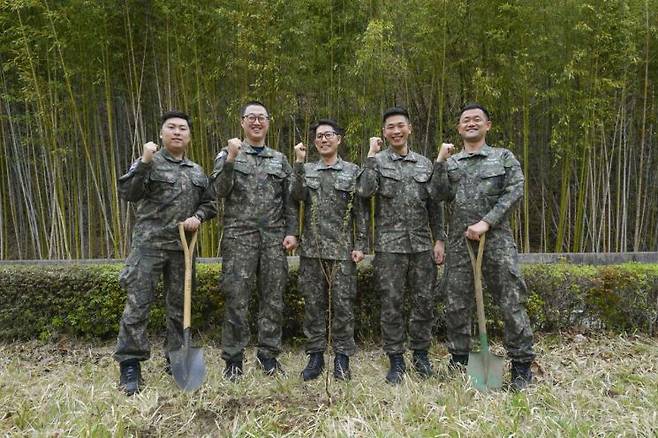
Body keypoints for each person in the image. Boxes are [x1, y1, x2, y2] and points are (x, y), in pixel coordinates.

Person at [432, 103, 535, 391]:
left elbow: (515, 189)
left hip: (497, 240)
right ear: (459, 128)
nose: (471, 123)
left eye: (477, 119)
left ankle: (522, 366)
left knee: (511, 300)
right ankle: (460, 362)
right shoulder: (452, 164)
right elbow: (437, 194)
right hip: (459, 242)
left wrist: (487, 222)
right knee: (456, 303)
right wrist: (440, 161)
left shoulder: (503, 157)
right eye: (466, 120)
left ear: (488, 125)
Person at [114, 110, 217, 395]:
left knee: (179, 309)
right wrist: (144, 162)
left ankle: (176, 358)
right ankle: (131, 363)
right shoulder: (148, 163)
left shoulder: (197, 171)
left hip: (182, 250)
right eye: (170, 127)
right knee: (138, 305)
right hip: (149, 246)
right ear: (161, 134)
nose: (176, 132)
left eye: (182, 128)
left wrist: (198, 215)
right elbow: (129, 193)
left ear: (189, 136)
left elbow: (210, 204)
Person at [356, 107, 445, 384]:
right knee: (391, 305)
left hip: (421, 246)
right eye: (390, 127)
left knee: (423, 303)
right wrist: (370, 156)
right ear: (384, 132)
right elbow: (364, 191)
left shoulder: (425, 164)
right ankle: (396, 360)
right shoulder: (377, 162)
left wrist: (439, 239)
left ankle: (420, 356)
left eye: (400, 126)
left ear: (409, 128)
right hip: (389, 247)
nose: (395, 131)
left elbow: (435, 204)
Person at [211, 100, 298, 380]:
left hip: (273, 239)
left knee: (273, 299)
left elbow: (290, 201)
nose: (257, 122)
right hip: (240, 239)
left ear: (268, 122)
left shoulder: (279, 159)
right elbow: (218, 190)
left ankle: (268, 356)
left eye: (262, 118)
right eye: (251, 117)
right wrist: (231, 160)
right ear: (242, 122)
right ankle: (233, 360)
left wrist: (292, 232)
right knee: (237, 299)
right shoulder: (229, 153)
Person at [291, 119, 368, 381]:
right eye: (319, 136)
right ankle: (315, 357)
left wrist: (361, 245)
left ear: (339, 140)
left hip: (343, 252)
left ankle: (342, 358)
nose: (323, 140)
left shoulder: (352, 171)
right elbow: (296, 196)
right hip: (312, 251)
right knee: (313, 306)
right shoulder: (308, 170)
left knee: (343, 306)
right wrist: (299, 163)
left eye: (328, 135)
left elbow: (361, 212)